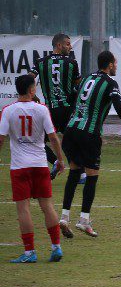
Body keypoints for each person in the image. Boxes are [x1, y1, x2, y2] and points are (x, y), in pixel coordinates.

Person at [61, 50, 121, 238]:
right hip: (89, 133)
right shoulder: (110, 83)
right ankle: (84, 220)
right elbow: (117, 104)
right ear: (109, 64)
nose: (116, 66)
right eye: (115, 63)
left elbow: (71, 97)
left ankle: (64, 217)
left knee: (74, 173)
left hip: (71, 130)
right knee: (92, 176)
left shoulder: (86, 78)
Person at [0, 74, 66, 263]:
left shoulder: (8, 110)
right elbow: (53, 137)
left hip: (20, 167)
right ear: (31, 90)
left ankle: (30, 252)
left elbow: (1, 138)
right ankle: (56, 247)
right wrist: (60, 160)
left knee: (23, 209)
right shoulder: (42, 109)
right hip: (39, 164)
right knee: (47, 206)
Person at [30, 33, 81, 179]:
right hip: (67, 110)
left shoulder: (40, 62)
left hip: (49, 111)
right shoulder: (72, 63)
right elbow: (78, 86)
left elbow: (28, 78)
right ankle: (80, 172)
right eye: (67, 44)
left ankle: (55, 162)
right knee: (72, 141)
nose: (70, 47)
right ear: (59, 45)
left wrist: (33, 95)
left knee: (37, 141)